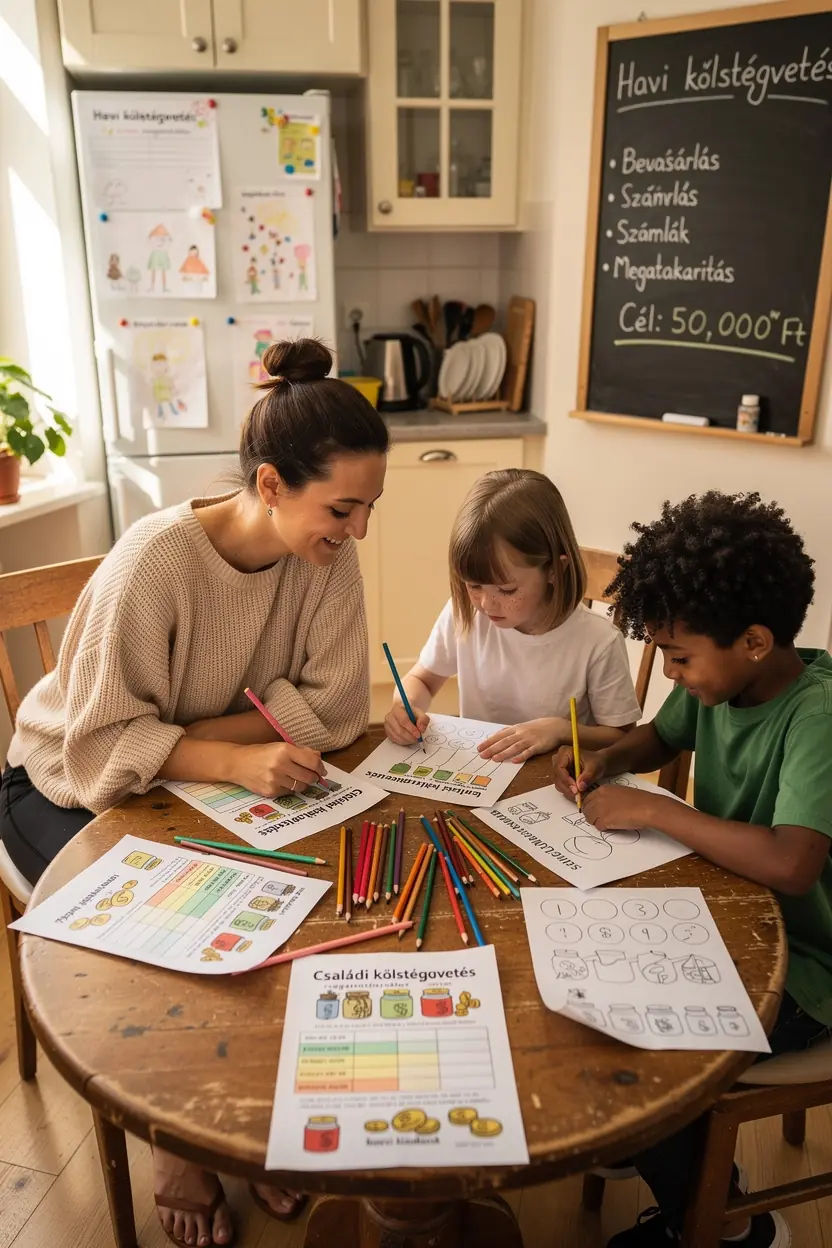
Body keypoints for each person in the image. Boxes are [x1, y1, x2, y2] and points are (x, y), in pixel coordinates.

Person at [0, 338, 389, 1248]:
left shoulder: (326, 555)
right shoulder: (155, 562)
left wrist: (194, 738)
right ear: (268, 484)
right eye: (342, 507)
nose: (359, 530)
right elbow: (97, 743)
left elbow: (337, 706)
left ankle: (250, 1111)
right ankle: (176, 1142)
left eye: (369, 507)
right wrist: (234, 755)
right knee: (165, 925)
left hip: (170, 776)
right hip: (62, 784)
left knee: (298, 905)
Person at [553, 490, 832, 1248]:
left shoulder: (818, 716)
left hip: (805, 966)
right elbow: (657, 740)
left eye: (679, 658)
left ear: (752, 641)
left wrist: (654, 811)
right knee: (587, 998)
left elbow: (793, 863)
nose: (672, 675)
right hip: (724, 924)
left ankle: (728, 1228)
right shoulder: (723, 685)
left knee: (648, 1061)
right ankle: (641, 1147)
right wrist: (607, 760)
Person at [385, 468, 640, 761]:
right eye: (474, 585)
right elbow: (423, 680)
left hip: (554, 783)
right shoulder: (466, 613)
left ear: (554, 570)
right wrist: (404, 707)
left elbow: (622, 736)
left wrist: (560, 730)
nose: (486, 604)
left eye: (506, 590)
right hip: (481, 774)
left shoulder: (598, 642)